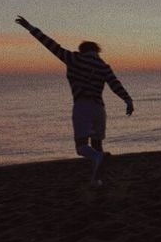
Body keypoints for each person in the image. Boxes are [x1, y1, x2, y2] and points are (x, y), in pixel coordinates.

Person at [15, 15, 134, 184]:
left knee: (81, 147)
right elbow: (115, 84)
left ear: (81, 49)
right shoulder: (103, 65)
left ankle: (98, 159)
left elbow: (50, 44)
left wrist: (30, 27)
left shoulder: (74, 58)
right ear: (97, 50)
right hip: (99, 109)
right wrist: (128, 101)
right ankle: (96, 180)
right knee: (97, 144)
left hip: (82, 106)